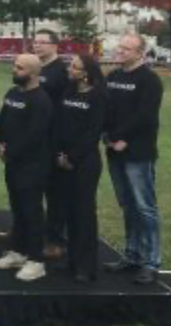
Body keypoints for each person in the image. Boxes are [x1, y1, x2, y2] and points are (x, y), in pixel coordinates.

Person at [103, 33, 164, 285]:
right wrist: (107, 136)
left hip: (137, 153)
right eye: (120, 47)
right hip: (113, 149)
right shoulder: (114, 77)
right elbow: (105, 108)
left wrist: (121, 138)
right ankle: (132, 255)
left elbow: (145, 116)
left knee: (144, 207)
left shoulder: (150, 80)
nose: (120, 52)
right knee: (127, 205)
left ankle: (151, 262)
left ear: (140, 53)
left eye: (127, 49)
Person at [0, 54, 52, 282]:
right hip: (12, 163)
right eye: (14, 66)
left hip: (33, 165)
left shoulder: (41, 100)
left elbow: (34, 135)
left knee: (32, 212)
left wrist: (11, 152)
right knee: (17, 208)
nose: (14, 70)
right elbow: (3, 122)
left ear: (34, 72)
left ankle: (36, 261)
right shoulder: (12, 94)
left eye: (19, 68)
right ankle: (18, 251)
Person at [55, 54, 106, 283]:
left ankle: (86, 267)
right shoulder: (68, 91)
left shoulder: (99, 96)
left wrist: (72, 157)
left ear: (86, 73)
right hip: (63, 159)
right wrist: (59, 154)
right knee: (68, 212)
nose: (70, 69)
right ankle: (72, 260)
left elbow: (92, 133)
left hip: (85, 162)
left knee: (84, 213)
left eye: (75, 67)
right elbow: (58, 124)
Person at [34, 29, 70, 259]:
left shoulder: (62, 72)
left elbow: (66, 108)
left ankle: (56, 240)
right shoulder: (35, 67)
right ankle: (25, 231)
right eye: (35, 42)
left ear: (55, 46)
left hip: (53, 139)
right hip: (33, 138)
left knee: (55, 193)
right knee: (29, 190)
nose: (37, 46)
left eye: (43, 43)